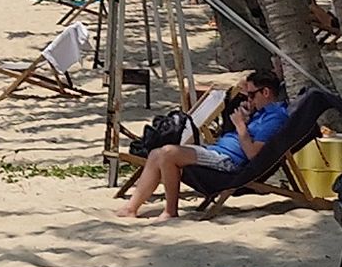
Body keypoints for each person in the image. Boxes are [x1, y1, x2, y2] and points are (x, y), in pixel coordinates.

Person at [119, 69, 292, 221]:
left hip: (228, 161)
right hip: (217, 152)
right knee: (156, 153)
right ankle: (131, 208)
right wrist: (246, 120)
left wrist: (240, 126)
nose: (249, 99)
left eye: (252, 95)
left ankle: (170, 211)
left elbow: (254, 154)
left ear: (266, 92)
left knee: (168, 153)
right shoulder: (261, 113)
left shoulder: (274, 118)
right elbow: (242, 88)